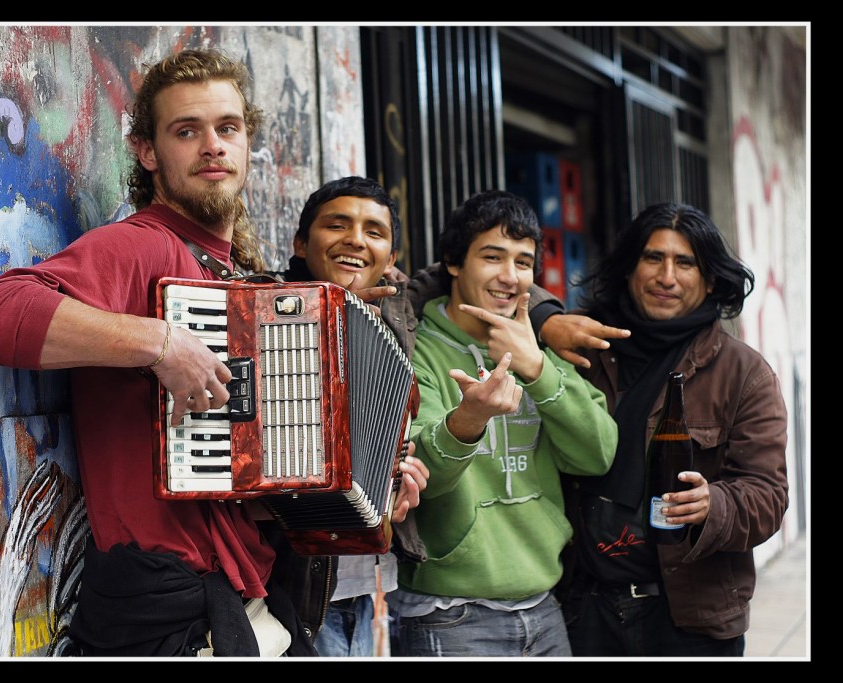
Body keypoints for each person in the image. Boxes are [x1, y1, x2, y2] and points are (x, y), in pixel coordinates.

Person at [0, 48, 323, 657]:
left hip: (241, 599)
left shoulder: (237, 278)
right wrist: (158, 341)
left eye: (227, 128)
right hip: (164, 611)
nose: (213, 146)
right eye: (187, 131)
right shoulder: (140, 248)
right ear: (148, 152)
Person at [386, 190, 618, 657]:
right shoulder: (415, 349)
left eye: (524, 262)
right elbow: (419, 479)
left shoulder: (540, 346)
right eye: (492, 257)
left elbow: (598, 455)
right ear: (453, 262)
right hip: (448, 613)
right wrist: (470, 416)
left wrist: (537, 369)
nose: (510, 277)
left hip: (545, 605)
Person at [553, 201, 789, 657]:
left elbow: (768, 497)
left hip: (690, 621)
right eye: (653, 258)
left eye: (686, 263)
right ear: (629, 268)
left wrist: (713, 504)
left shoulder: (744, 374)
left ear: (710, 280)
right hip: (585, 611)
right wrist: (546, 318)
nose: (667, 277)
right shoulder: (585, 353)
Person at [272, 176, 430, 657]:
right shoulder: (264, 313)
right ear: (301, 243)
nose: (356, 240)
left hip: (363, 586)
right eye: (336, 225)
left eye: (374, 231)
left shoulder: (396, 318)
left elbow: (467, 263)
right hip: (286, 588)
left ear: (392, 259)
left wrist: (398, 480)